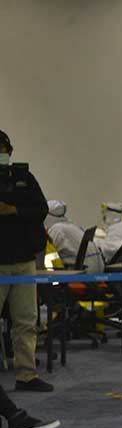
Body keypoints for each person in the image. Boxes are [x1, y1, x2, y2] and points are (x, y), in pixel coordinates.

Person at [0, 130, 52, 392]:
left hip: (24, 260)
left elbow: (42, 209)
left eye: (3, 150)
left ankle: (26, 375)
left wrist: (14, 211)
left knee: (26, 321)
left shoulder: (24, 178)